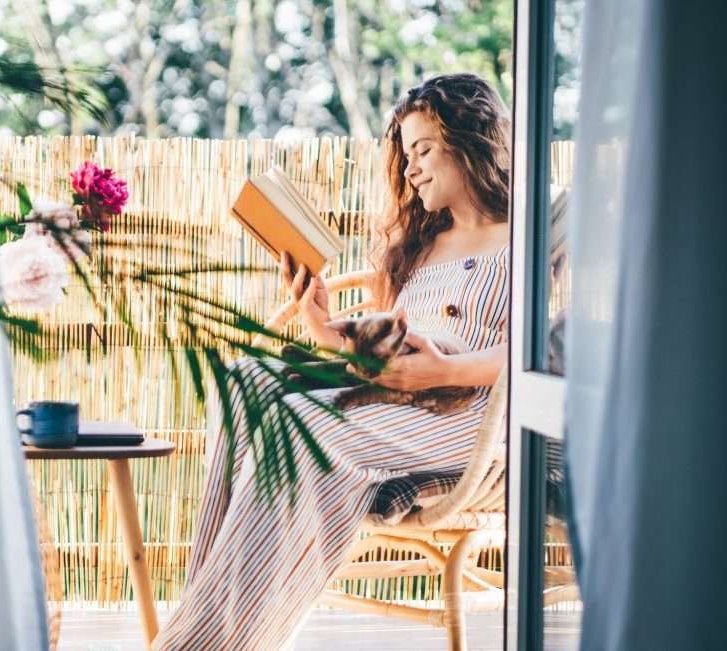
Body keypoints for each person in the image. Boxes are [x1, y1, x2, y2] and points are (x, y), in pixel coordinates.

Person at [152, 73, 510, 650]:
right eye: (405, 154)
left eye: (423, 150)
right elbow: (386, 345)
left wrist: (444, 370)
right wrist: (321, 323)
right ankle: (212, 627)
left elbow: (539, 351)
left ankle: (204, 641)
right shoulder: (423, 246)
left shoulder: (523, 241)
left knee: (309, 431)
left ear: (472, 142)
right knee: (246, 382)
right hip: (394, 393)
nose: (412, 168)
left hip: (467, 412)